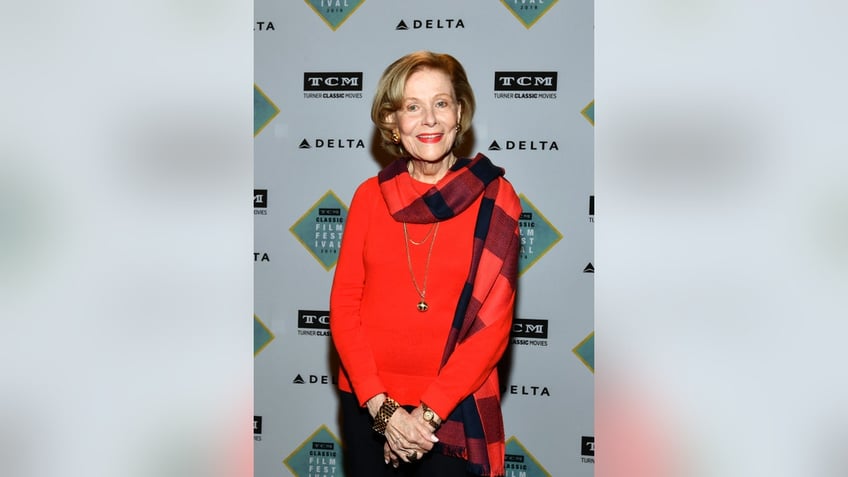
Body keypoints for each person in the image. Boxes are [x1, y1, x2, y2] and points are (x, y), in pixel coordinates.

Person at [330, 51, 521, 477]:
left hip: (453, 411)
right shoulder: (368, 196)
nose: (429, 119)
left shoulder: (496, 199)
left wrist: (423, 421)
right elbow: (344, 307)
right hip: (368, 402)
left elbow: (493, 328)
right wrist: (387, 417)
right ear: (393, 123)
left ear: (459, 113)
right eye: (412, 107)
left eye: (441, 103)